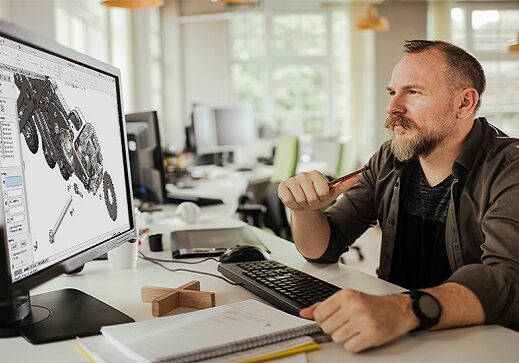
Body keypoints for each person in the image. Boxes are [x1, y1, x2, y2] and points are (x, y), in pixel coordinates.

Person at [278, 40, 519, 353]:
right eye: (392, 92)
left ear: (464, 104)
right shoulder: (390, 159)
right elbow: (325, 245)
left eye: (414, 92)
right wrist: (304, 210)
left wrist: (403, 309)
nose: (393, 108)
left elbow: (507, 280)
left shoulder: (510, 169)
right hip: (401, 336)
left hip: (478, 343)